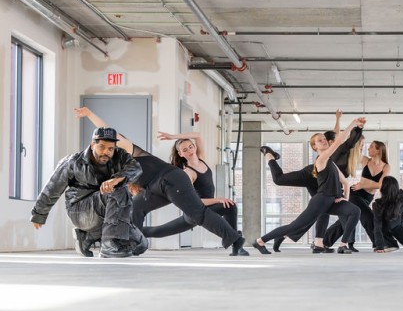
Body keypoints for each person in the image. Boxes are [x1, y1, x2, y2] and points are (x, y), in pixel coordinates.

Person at [74, 107, 249, 257]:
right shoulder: (115, 167)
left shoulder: (129, 150)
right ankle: (131, 242)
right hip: (154, 188)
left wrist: (89, 113)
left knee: (197, 214)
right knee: (136, 206)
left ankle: (235, 239)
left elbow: (109, 131)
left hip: (170, 179)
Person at [30, 126, 146, 258]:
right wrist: (39, 214)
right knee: (119, 190)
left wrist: (115, 180)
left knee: (140, 245)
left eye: (110, 148)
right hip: (80, 210)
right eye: (101, 147)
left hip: (107, 211)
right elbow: (52, 187)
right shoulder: (73, 162)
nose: (106, 152)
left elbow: (136, 168)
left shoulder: (120, 156)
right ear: (92, 145)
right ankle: (108, 246)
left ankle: (86, 237)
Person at [252, 118, 364, 254]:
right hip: (321, 200)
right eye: (319, 140)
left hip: (332, 200)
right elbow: (339, 140)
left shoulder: (331, 162)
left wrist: (344, 198)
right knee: (294, 226)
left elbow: (346, 183)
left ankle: (343, 244)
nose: (323, 141)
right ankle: (260, 241)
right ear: (314, 147)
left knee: (355, 211)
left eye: (324, 139)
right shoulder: (322, 159)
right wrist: (353, 123)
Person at [130, 131, 246, 256]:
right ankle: (132, 234)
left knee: (230, 206)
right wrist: (217, 200)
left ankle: (236, 247)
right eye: (185, 150)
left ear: (195, 146)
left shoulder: (201, 159)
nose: (190, 151)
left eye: (191, 147)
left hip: (207, 208)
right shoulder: (187, 173)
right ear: (180, 154)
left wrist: (173, 137)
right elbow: (194, 200)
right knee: (156, 231)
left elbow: (198, 135)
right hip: (193, 212)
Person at [323, 139, 391, 251]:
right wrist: (357, 138)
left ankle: (324, 242)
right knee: (368, 216)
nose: (368, 149)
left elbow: (381, 185)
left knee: (344, 221)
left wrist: (364, 185)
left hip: (367, 197)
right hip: (354, 193)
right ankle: (380, 244)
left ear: (379, 150)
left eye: (371, 147)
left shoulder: (386, 167)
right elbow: (353, 152)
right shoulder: (365, 160)